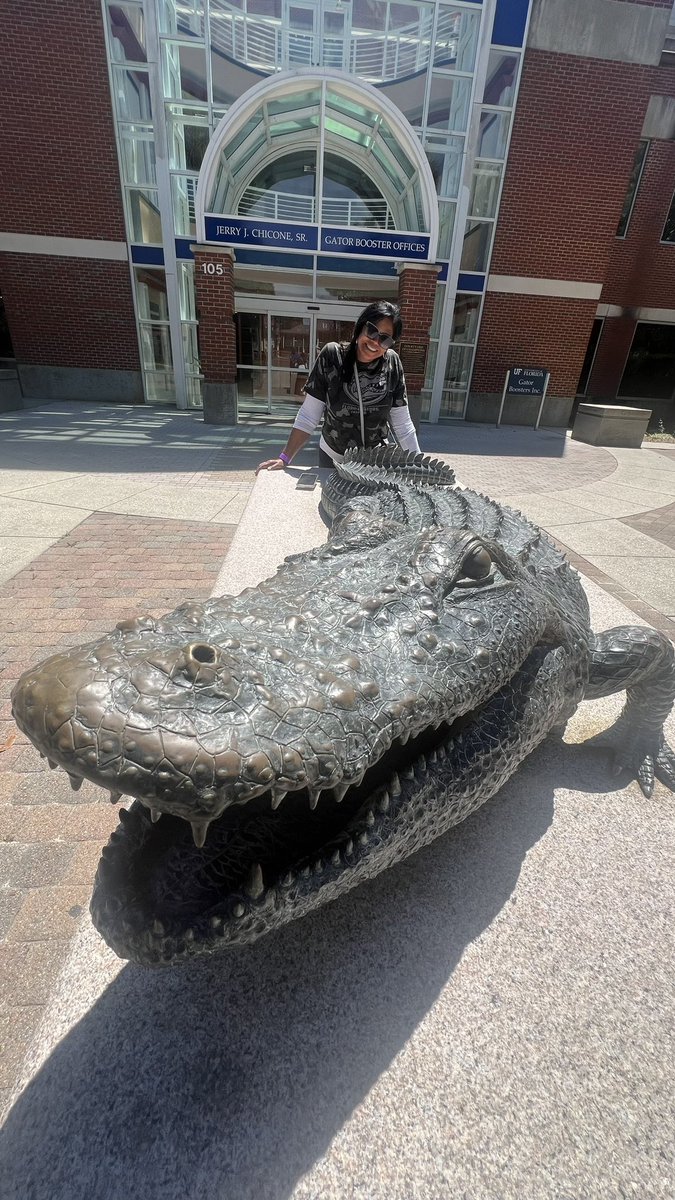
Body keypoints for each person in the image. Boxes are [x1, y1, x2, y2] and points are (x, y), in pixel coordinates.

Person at [256, 301, 420, 472]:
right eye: (372, 331)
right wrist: (285, 458)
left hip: (374, 464)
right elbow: (309, 416)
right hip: (333, 459)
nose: (375, 342)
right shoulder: (332, 355)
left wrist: (419, 466)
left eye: (385, 339)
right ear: (360, 327)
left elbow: (402, 425)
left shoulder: (392, 363)